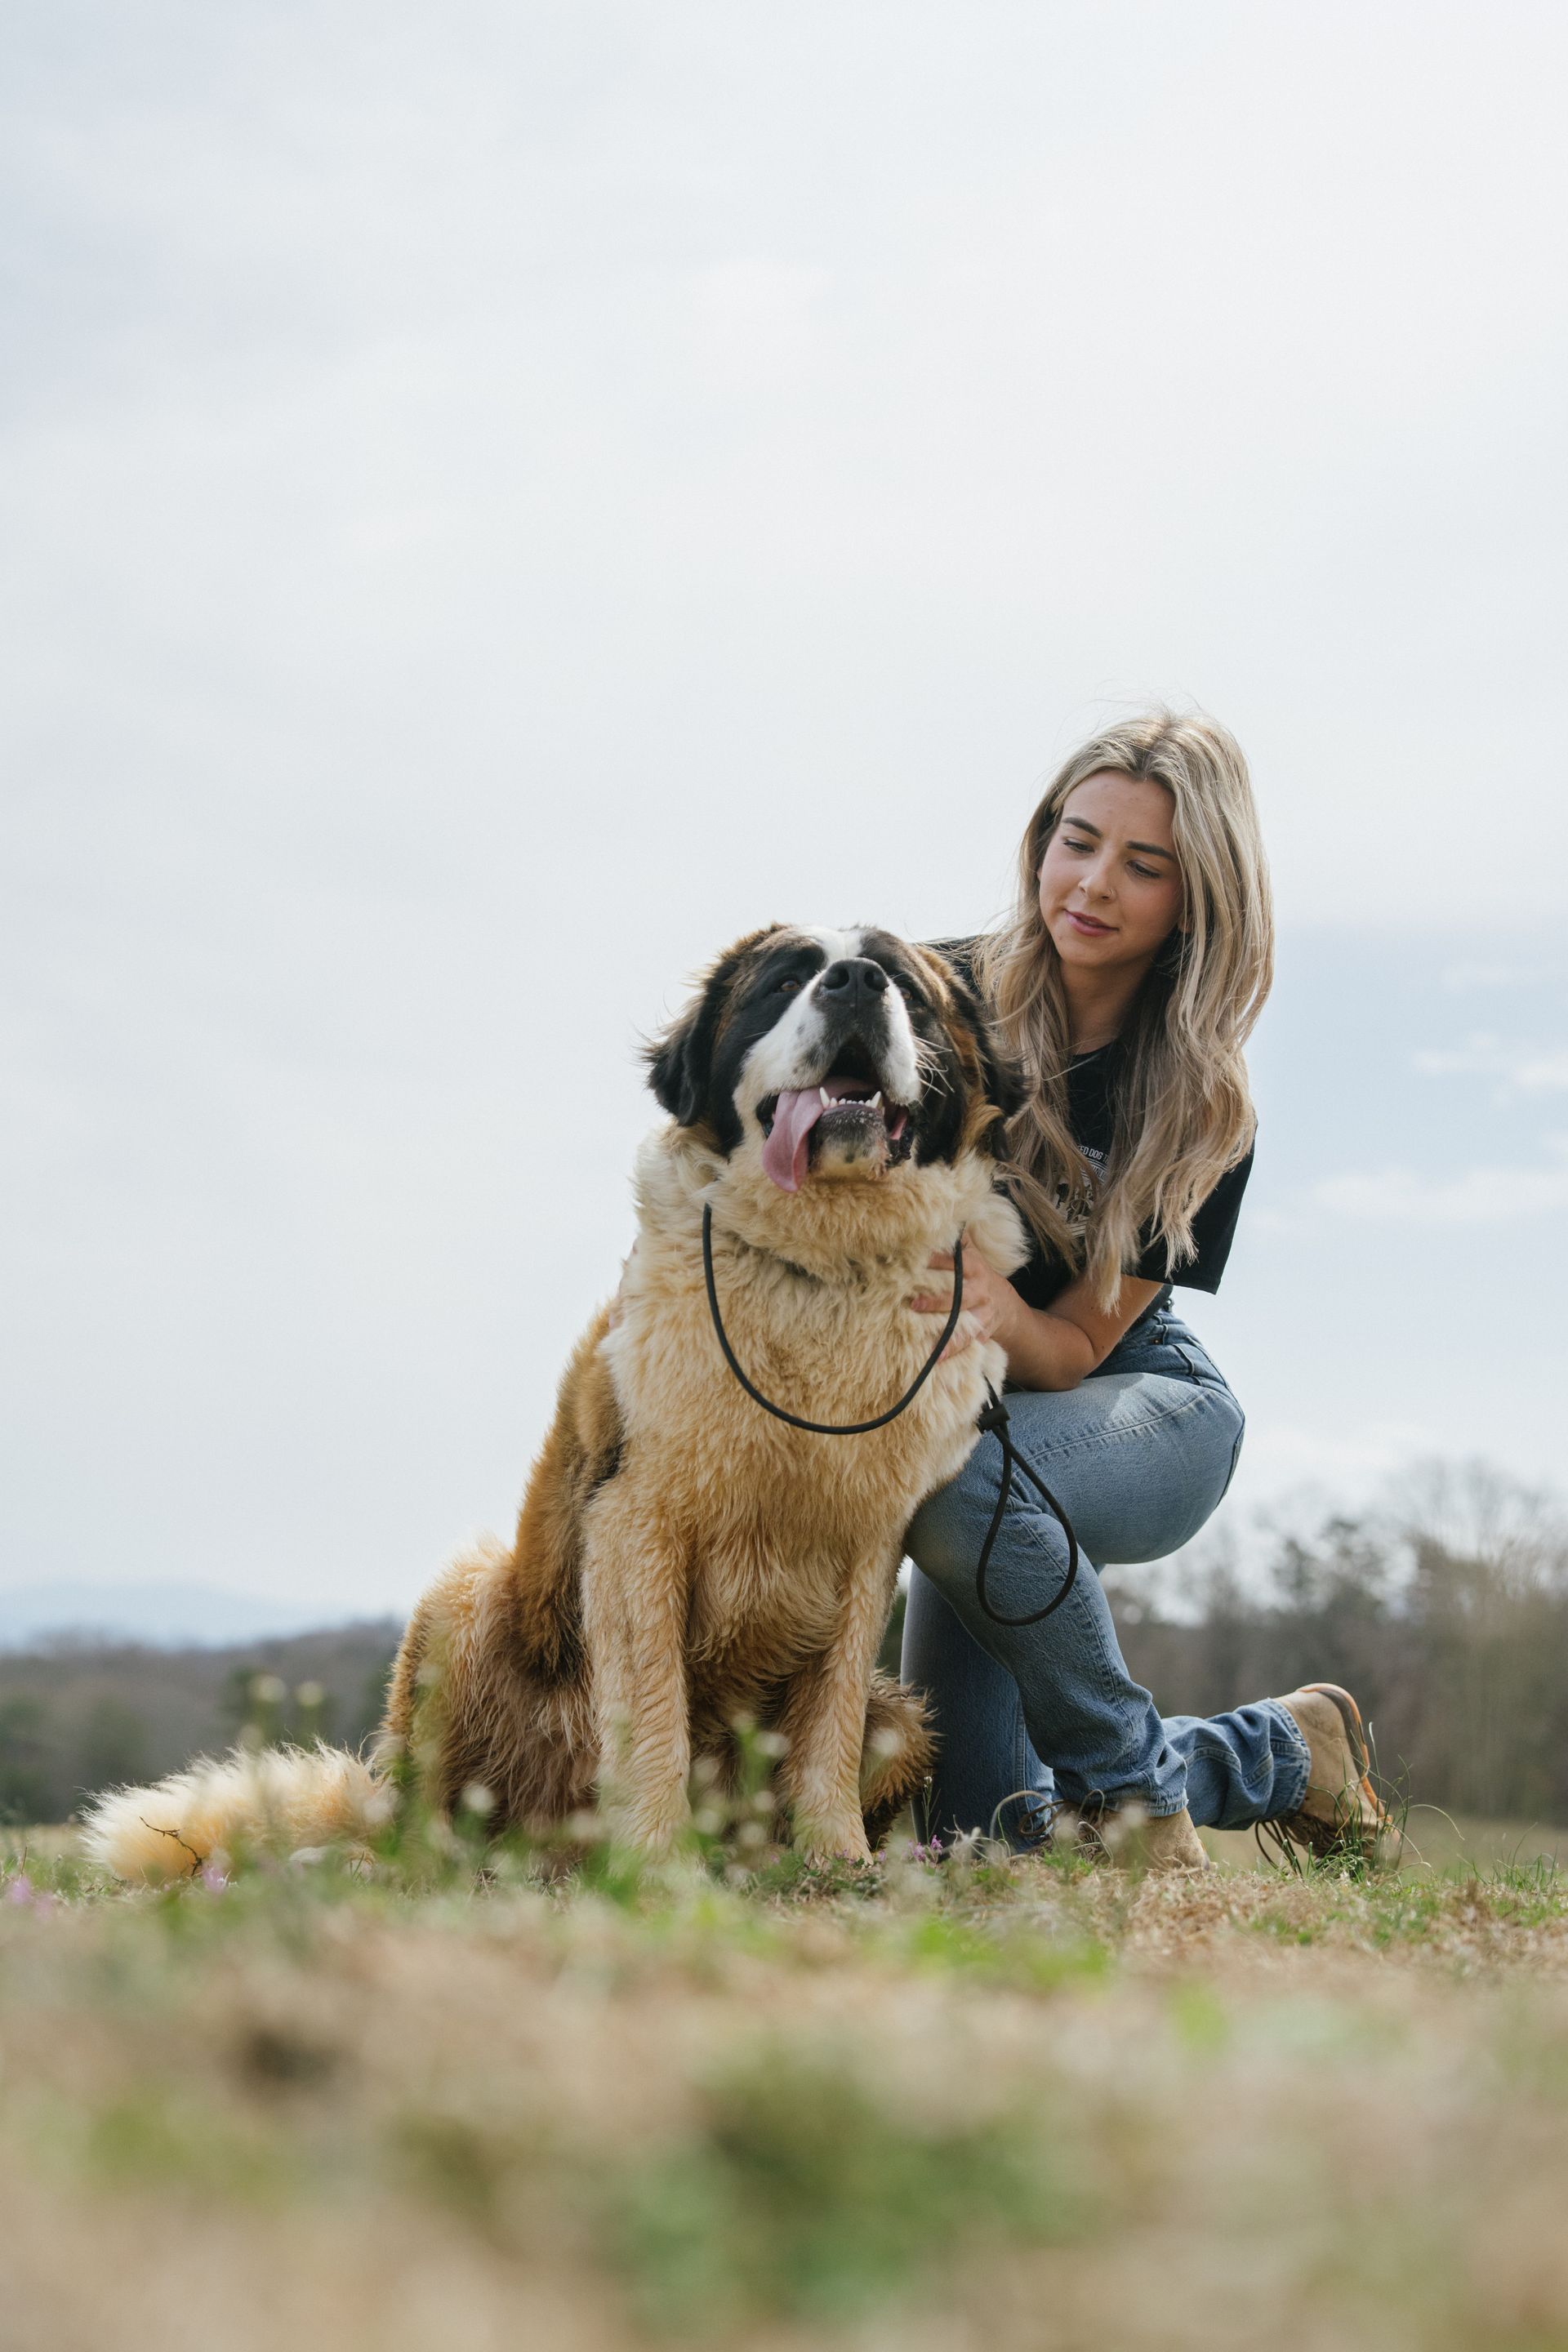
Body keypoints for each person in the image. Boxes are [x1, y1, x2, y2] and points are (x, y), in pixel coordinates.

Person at [902, 710, 1393, 1871]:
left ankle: (1134, 1801)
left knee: (947, 1469)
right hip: (964, 1422)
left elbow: (1074, 1345)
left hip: (1144, 1412)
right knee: (977, 1833)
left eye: (1144, 865)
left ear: (1198, 898)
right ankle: (1282, 1751)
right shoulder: (931, 1001)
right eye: (1076, 841)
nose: (1091, 883)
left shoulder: (1205, 1108)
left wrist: (988, 1305)